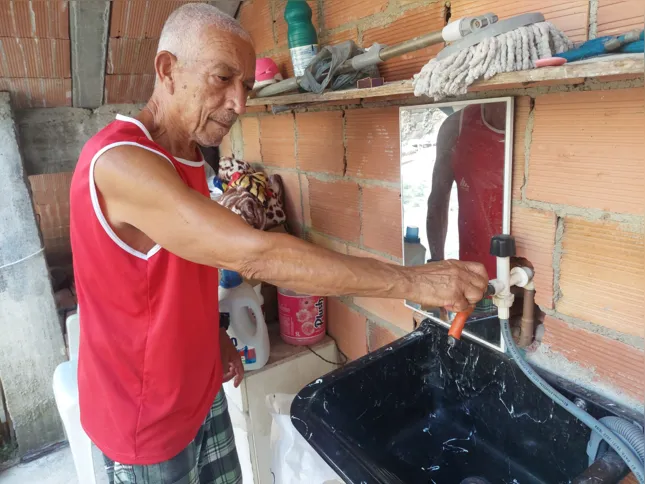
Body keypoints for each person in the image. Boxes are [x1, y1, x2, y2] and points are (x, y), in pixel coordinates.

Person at [69, 4, 488, 484]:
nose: (239, 103)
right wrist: (416, 280)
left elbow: (180, 263)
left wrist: (210, 335)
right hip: (142, 420)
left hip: (197, 390)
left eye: (245, 85)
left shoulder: (185, 157)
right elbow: (252, 252)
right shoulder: (121, 161)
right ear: (167, 70)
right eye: (223, 78)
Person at [426, 102, 506, 282]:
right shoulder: (457, 126)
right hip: (475, 273)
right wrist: (436, 266)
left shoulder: (533, 120)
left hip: (524, 275)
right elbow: (437, 201)